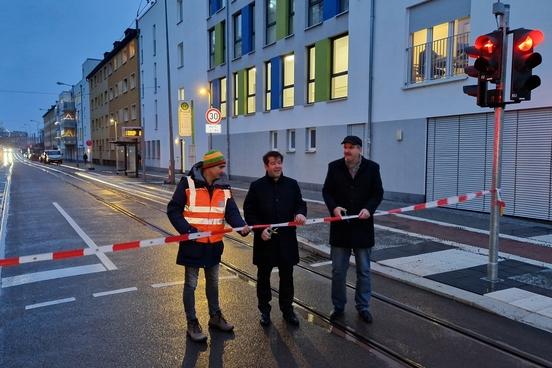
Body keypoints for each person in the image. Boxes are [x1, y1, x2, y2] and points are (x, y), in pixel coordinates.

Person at [167, 150, 250, 343]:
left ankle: (215, 317)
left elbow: (231, 212)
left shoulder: (224, 187)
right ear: (209, 167)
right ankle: (192, 323)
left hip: (214, 245)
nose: (223, 170)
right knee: (191, 285)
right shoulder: (187, 183)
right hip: (193, 245)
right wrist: (187, 230)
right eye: (220, 167)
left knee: (213, 283)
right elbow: (173, 210)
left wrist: (241, 227)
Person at [322, 136, 383, 323]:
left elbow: (377, 192)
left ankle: (363, 307)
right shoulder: (334, 166)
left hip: (363, 228)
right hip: (340, 228)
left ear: (359, 149)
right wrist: (334, 208)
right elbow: (327, 191)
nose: (346, 151)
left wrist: (369, 209)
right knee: (338, 271)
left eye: (350, 148)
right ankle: (338, 307)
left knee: (364, 271)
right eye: (345, 147)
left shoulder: (372, 168)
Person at [243, 151, 307, 327]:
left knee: (287, 277)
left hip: (286, 240)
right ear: (266, 166)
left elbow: (300, 203)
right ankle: (264, 310)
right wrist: (260, 229)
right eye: (273, 163)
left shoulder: (292, 185)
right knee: (263, 277)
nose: (277, 166)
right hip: (265, 241)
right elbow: (249, 211)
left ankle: (288, 310)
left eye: (279, 162)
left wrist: (301, 213)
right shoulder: (257, 186)